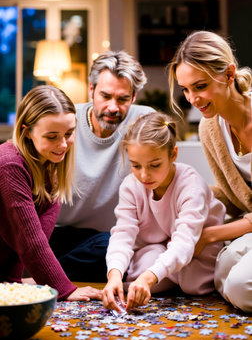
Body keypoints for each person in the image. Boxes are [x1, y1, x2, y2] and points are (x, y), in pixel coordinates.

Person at [102, 112, 226, 312]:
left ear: (173, 154)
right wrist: (114, 274)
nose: (143, 175)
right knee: (138, 274)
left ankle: (168, 274)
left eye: (155, 165)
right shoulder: (131, 186)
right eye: (135, 165)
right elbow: (123, 233)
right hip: (158, 247)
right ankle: (163, 273)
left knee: (192, 284)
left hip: (200, 248)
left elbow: (185, 241)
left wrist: (149, 277)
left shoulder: (190, 184)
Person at [49, 50, 154, 282]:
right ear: (91, 90)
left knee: (112, 251)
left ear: (134, 97)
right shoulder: (66, 121)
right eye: (105, 96)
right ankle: (49, 270)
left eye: (123, 99)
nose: (113, 107)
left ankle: (42, 277)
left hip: (105, 240)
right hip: (54, 232)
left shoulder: (144, 124)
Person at [168, 30, 252, 312]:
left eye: (199, 86)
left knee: (239, 287)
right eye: (185, 89)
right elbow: (230, 194)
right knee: (222, 272)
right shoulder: (210, 127)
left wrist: (210, 235)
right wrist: (180, 192)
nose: (192, 98)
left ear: (229, 74)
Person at [0, 85, 101, 301]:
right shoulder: (8, 164)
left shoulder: (52, 170)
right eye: (52, 136)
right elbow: (29, 241)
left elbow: (39, 236)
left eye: (69, 133)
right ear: (27, 131)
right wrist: (67, 290)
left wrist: (12, 284)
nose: (63, 144)